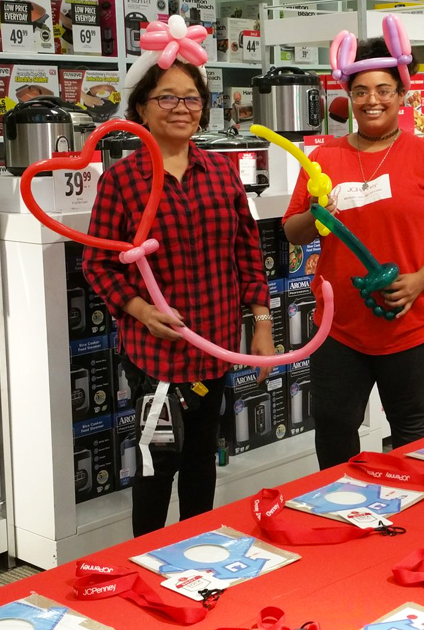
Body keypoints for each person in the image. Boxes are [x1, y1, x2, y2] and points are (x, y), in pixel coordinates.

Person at [83, 54, 273, 536]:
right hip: (157, 358)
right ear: (141, 110)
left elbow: (246, 249)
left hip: (214, 346)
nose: (180, 108)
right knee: (156, 463)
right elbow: (98, 264)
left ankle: (196, 549)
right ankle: (146, 558)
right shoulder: (121, 180)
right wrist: (141, 310)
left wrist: (263, 322)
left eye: (191, 98)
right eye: (166, 97)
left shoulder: (220, 172)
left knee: (202, 459)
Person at [282, 26, 424, 469]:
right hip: (340, 323)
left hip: (416, 318)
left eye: (385, 89)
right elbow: (294, 232)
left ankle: (415, 518)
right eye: (362, 90)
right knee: (332, 425)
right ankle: (340, 511)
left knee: (411, 426)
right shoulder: (324, 158)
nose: (373, 100)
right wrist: (317, 212)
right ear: (348, 94)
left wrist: (420, 281)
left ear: (402, 93)